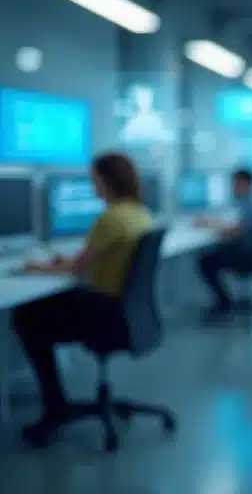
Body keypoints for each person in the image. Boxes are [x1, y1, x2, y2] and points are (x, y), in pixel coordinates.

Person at [13, 152, 152, 446]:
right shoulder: (139, 213)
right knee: (40, 309)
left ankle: (55, 406)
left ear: (107, 180)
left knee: (26, 316)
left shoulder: (111, 218)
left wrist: (37, 266)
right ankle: (54, 402)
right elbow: (94, 260)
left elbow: (78, 267)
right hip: (125, 312)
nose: (92, 186)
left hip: (105, 313)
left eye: (95, 179)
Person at [195, 168, 252, 319]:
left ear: (244, 183)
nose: (233, 187)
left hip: (248, 254)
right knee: (215, 252)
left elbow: (237, 230)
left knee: (206, 261)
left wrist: (211, 224)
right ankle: (224, 301)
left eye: (235, 183)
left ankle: (224, 302)